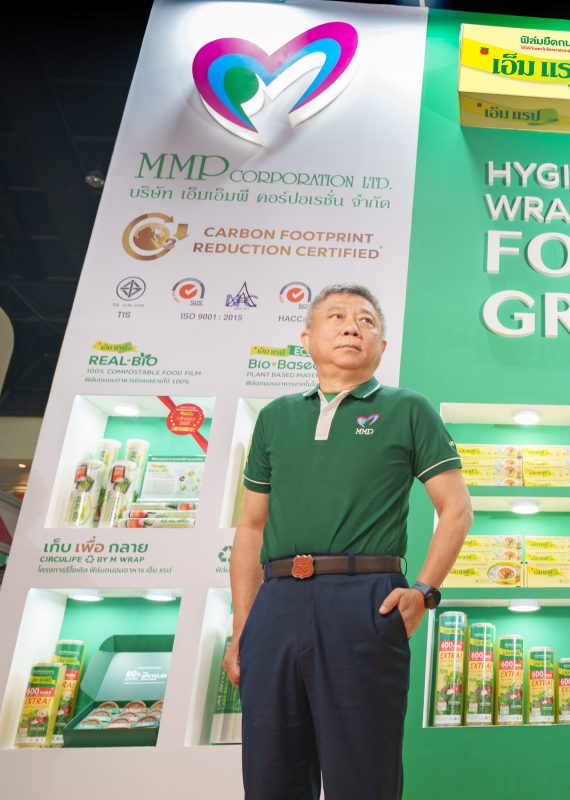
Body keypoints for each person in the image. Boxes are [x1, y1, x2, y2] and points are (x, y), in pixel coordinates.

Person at [222, 283, 472, 800]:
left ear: (382, 345)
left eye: (366, 320)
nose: (353, 327)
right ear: (307, 338)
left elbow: (457, 508)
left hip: (365, 601)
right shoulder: (275, 417)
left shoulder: (408, 408)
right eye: (336, 316)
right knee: (269, 777)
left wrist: (424, 592)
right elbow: (250, 527)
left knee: (363, 778)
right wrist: (242, 626)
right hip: (275, 602)